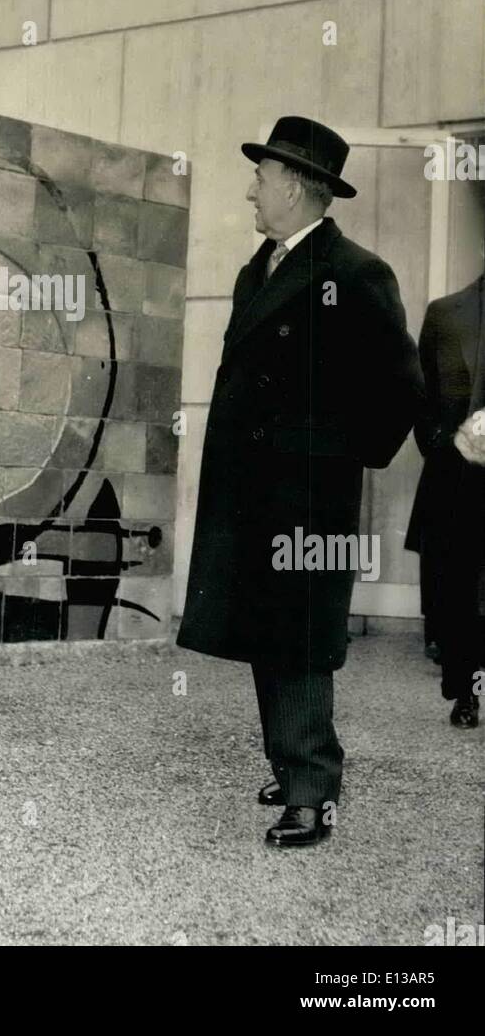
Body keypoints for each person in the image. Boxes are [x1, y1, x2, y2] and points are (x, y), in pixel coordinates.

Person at [177, 116, 424, 849]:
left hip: (306, 498)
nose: (251, 189)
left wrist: (333, 456)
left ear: (294, 187)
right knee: (265, 629)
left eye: (261, 178)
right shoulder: (264, 266)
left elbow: (401, 389)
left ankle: (314, 794)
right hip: (253, 490)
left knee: (302, 639)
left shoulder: (354, 273)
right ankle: (290, 768)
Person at [406, 254, 485, 729]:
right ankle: (465, 692)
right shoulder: (445, 312)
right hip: (457, 477)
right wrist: (448, 441)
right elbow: (420, 396)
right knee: (458, 591)